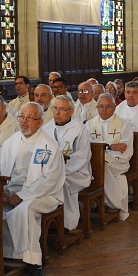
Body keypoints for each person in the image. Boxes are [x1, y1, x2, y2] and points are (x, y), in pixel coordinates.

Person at [0, 102, 65, 276]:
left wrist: (23, 195)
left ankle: (34, 265)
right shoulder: (10, 142)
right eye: (21, 117)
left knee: (24, 211)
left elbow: (50, 180)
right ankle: (1, 259)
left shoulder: (48, 146)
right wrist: (2, 191)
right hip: (11, 191)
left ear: (40, 122)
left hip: (43, 194)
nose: (24, 122)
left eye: (30, 118)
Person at [43, 96, 92, 231]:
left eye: (62, 109)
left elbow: (82, 156)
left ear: (71, 112)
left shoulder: (80, 129)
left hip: (76, 173)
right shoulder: (46, 128)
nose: (57, 113)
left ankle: (66, 223)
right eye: (55, 109)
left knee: (61, 181)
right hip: (51, 171)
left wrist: (60, 170)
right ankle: (48, 218)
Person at [87, 93, 133, 220]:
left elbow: (123, 147)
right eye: (101, 106)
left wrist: (106, 149)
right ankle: (95, 202)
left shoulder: (124, 125)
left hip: (118, 160)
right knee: (96, 166)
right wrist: (110, 146)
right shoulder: (90, 125)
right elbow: (86, 144)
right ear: (97, 108)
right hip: (97, 158)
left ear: (114, 107)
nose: (104, 109)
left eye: (108, 106)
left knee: (102, 167)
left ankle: (113, 204)